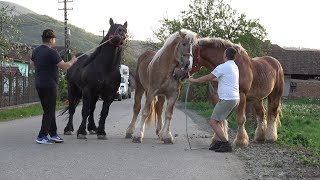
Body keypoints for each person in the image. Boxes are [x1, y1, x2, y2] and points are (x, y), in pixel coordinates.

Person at [30, 29, 78, 144]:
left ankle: (53, 134)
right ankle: (41, 136)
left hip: (39, 84)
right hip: (49, 85)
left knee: (48, 109)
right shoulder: (52, 52)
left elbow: (31, 64)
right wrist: (73, 61)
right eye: (54, 39)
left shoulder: (36, 51)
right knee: (49, 111)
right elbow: (65, 66)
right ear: (51, 40)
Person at [188, 47, 240, 152]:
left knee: (213, 122)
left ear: (225, 55)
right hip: (235, 99)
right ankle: (219, 142)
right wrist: (209, 79)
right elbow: (220, 78)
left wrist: (194, 80)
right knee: (219, 120)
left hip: (227, 99)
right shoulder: (234, 66)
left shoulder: (223, 66)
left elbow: (209, 76)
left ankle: (226, 144)